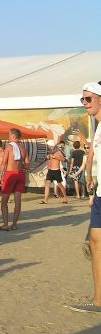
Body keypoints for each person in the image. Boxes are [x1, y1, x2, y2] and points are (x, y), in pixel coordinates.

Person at [70, 81, 101, 313]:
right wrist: (90, 177)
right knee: (94, 242)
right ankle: (98, 300)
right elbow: (91, 155)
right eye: (82, 99)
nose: (84, 103)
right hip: (100, 194)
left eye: (88, 99)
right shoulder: (97, 127)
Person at [0, 128, 30, 231]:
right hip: (20, 174)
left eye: (9, 135)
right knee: (17, 200)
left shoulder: (9, 146)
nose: (8, 137)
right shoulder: (23, 148)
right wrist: (21, 166)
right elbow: (27, 164)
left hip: (10, 174)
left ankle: (5, 224)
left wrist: (0, 176)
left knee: (4, 201)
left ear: (13, 136)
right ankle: (14, 224)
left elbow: (4, 163)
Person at [40, 139, 68, 204]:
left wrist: (56, 157)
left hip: (56, 170)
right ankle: (45, 200)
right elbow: (48, 159)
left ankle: (65, 198)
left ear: (51, 145)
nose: (48, 146)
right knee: (47, 184)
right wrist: (47, 157)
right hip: (50, 170)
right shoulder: (50, 152)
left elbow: (64, 159)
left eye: (48, 145)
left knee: (59, 184)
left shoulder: (58, 151)